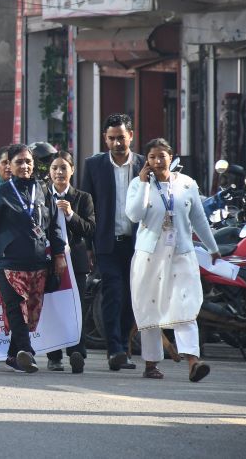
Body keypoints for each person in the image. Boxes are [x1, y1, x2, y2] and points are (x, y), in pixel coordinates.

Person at [0, 144, 67, 374]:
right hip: (7, 262)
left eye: (28, 162)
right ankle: (27, 352)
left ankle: (13, 355)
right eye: (19, 162)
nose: (25, 166)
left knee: (30, 311)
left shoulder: (43, 190)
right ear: (9, 165)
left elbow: (54, 229)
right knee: (15, 307)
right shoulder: (0, 193)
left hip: (38, 262)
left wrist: (58, 255)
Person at [126, 138, 219, 382]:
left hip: (181, 254)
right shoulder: (138, 184)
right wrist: (145, 185)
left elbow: (199, 218)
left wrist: (213, 248)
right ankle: (151, 363)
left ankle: (193, 361)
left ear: (171, 156)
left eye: (162, 156)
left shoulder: (187, 184)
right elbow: (135, 215)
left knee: (185, 305)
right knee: (150, 307)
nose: (158, 161)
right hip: (150, 257)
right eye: (153, 157)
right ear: (147, 160)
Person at [80, 113, 145, 371]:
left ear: (131, 136)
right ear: (105, 139)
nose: (117, 143)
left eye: (121, 137)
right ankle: (114, 350)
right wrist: (88, 246)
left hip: (138, 245)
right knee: (113, 293)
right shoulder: (94, 165)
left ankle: (124, 347)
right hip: (107, 243)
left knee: (132, 298)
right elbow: (87, 206)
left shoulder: (143, 165)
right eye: (112, 138)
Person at [43, 151, 95, 374]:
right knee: (52, 307)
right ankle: (54, 357)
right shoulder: (43, 196)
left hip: (75, 260)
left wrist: (71, 214)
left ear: (72, 170)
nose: (59, 172)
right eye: (55, 168)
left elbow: (90, 228)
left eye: (63, 167)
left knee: (76, 307)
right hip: (49, 261)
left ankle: (76, 352)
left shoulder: (83, 198)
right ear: (49, 172)